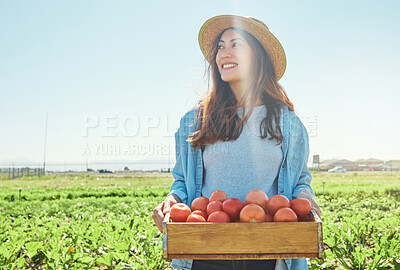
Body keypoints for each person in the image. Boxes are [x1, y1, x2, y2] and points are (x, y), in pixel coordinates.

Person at [152, 14, 321, 270]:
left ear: (259, 56)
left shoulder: (288, 124)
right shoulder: (195, 121)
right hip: (206, 249)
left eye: (236, 44)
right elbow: (182, 182)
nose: (224, 53)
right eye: (220, 46)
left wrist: (308, 202)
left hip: (268, 251)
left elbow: (299, 182)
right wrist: (173, 199)